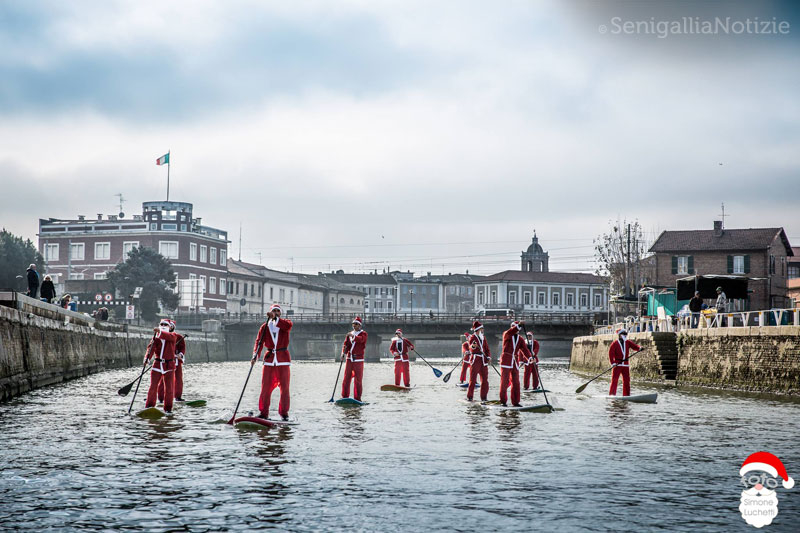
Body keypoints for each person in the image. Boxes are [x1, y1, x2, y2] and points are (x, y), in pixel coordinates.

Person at [252, 304, 294, 420]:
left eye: (278, 311)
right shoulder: (264, 327)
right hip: (269, 360)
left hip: (283, 361)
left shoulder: (286, 323)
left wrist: (275, 318)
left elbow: (287, 326)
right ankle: (263, 413)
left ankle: (284, 414)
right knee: (265, 388)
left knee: (285, 388)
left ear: (280, 313)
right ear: (270, 312)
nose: (276, 312)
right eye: (274, 311)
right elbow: (259, 342)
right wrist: (255, 355)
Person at [144, 318, 180, 413]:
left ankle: (168, 409)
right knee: (153, 387)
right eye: (162, 324)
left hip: (169, 365)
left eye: (165, 325)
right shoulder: (156, 337)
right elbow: (150, 348)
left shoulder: (173, 335)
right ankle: (149, 406)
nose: (163, 326)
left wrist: (160, 331)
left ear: (170, 327)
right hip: (157, 364)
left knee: (169, 389)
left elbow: (169, 337)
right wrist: (147, 358)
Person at [499, 321, 532, 407]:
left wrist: (530, 358)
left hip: (514, 362)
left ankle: (516, 402)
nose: (516, 330)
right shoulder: (506, 334)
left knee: (516, 382)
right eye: (514, 328)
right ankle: (503, 401)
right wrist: (519, 325)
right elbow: (511, 331)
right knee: (504, 382)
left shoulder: (520, 338)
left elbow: (524, 350)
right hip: (506, 361)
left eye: (517, 328)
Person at [158, 321, 187, 403]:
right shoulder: (160, 336)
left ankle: (178, 396)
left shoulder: (178, 337)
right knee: (163, 379)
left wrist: (180, 355)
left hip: (176, 360)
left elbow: (182, 348)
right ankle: (160, 397)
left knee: (178, 379)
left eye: (169, 326)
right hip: (164, 361)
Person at [608, 328, 641, 396]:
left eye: (626, 334)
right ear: (620, 335)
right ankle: (612, 394)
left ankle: (626, 395)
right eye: (624, 334)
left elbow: (635, 347)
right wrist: (613, 363)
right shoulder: (615, 343)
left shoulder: (628, 342)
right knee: (615, 380)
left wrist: (639, 348)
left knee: (626, 381)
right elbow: (611, 354)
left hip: (626, 365)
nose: (625, 335)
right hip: (617, 365)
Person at [341, 316, 368, 401]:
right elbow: (346, 345)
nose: (354, 326)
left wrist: (353, 336)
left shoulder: (363, 334)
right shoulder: (350, 334)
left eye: (356, 324)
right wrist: (343, 353)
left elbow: (361, 340)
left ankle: (357, 398)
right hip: (349, 359)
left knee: (358, 380)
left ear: (359, 325)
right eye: (353, 324)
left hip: (358, 359)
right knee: (346, 378)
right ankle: (344, 396)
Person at [466, 320, 491, 402]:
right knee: (473, 380)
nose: (483, 330)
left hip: (484, 361)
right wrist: (473, 346)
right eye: (482, 329)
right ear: (478, 330)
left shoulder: (484, 338)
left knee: (485, 380)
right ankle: (470, 397)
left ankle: (484, 398)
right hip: (475, 360)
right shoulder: (473, 337)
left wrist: (489, 357)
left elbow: (487, 349)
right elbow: (470, 347)